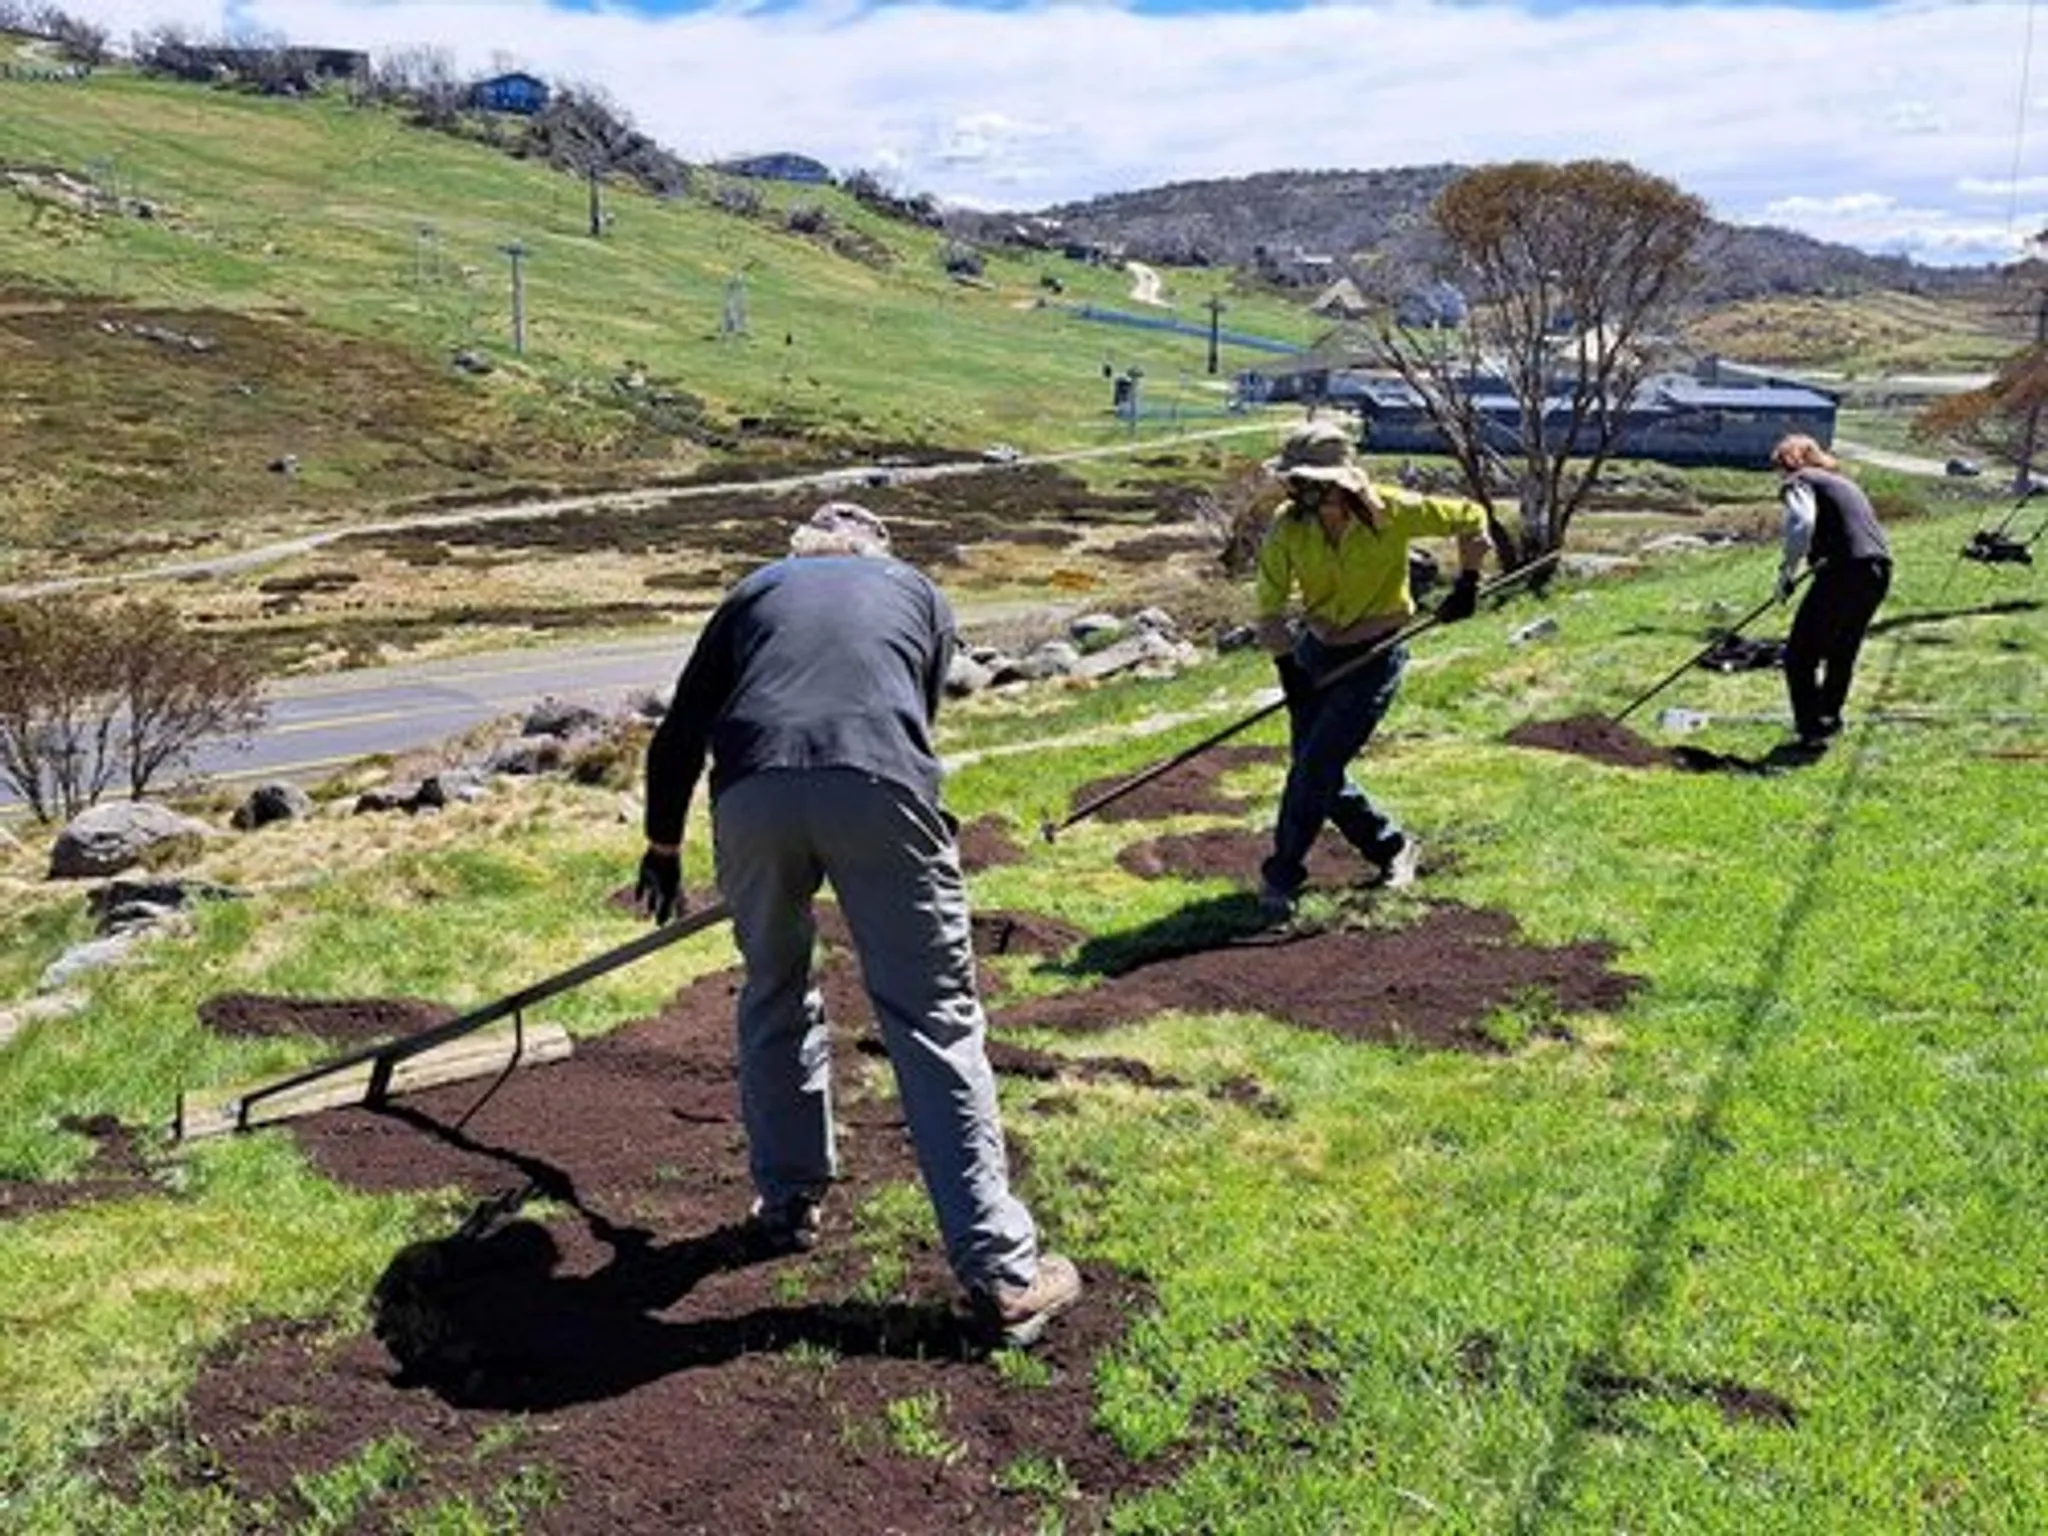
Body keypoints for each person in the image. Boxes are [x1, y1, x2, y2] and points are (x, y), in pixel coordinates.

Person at [634, 501, 1081, 1347]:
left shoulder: (754, 592)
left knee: (774, 987)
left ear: (801, 553)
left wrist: (663, 847)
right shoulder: (915, 590)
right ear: (875, 551)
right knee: (931, 1015)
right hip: (876, 782)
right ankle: (1002, 1275)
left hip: (753, 794)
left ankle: (787, 1201)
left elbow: (681, 731)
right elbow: (913, 716)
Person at [1252, 420, 1490, 917]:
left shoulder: (1393, 512)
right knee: (1314, 766)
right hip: (1315, 653)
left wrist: (1467, 583)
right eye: (1294, 480)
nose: (1298, 489)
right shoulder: (1288, 525)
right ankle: (1392, 846)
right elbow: (1269, 607)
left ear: (1340, 481)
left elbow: (1471, 517)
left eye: (1309, 481)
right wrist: (1287, 667)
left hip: (1376, 653)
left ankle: (1283, 873)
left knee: (1316, 766)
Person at [1770, 434, 1893, 752]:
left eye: (1778, 468)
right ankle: (1828, 717)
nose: (1778, 476)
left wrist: (1786, 573)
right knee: (1842, 650)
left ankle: (1811, 732)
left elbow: (1802, 524)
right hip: (1878, 570)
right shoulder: (1843, 483)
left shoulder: (1800, 480)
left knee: (1799, 657)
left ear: (1788, 462)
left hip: (1843, 571)